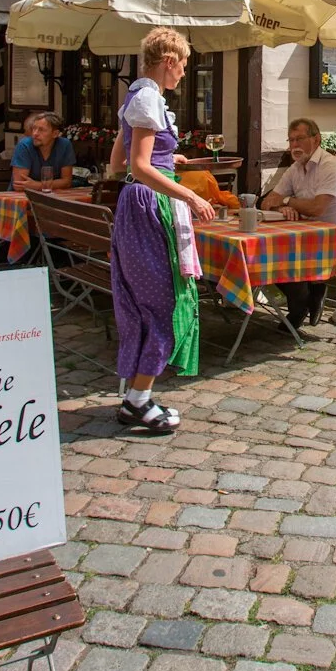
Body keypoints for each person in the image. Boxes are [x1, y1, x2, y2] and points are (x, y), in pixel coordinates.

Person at [105, 27, 215, 434]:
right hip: (150, 207)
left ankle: (136, 393)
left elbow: (119, 162)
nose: (184, 73)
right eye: (183, 65)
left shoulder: (136, 96)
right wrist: (188, 195)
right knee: (162, 300)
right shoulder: (150, 97)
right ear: (169, 61)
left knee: (146, 299)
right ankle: (137, 401)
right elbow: (138, 166)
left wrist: (170, 155)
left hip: (134, 205)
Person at [260, 118, 336, 328]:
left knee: (283, 255)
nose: (294, 145)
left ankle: (301, 304)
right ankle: (306, 298)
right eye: (291, 140)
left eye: (300, 139)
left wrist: (287, 201)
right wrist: (281, 207)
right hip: (309, 235)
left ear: (316, 139)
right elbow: (268, 201)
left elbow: (317, 208)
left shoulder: (330, 165)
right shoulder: (296, 167)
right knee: (267, 254)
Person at [12, 111, 77, 189]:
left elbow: (67, 182)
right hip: (22, 197)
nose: (35, 133)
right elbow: (19, 185)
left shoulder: (64, 145)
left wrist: (38, 185)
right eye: (34, 128)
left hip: (53, 196)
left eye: (41, 130)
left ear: (55, 134)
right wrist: (53, 184)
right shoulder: (24, 145)